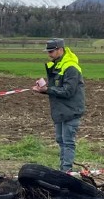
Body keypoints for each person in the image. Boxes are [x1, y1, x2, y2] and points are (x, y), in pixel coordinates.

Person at [32, 38, 85, 172]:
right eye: (48, 51)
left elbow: (68, 91)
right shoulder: (57, 65)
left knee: (68, 143)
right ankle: (63, 169)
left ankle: (66, 172)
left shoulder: (71, 67)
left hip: (70, 111)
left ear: (60, 50)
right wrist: (43, 89)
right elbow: (56, 88)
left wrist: (47, 90)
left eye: (51, 51)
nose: (49, 54)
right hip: (60, 111)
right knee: (61, 141)